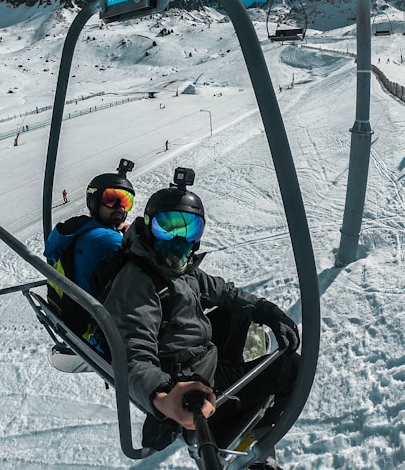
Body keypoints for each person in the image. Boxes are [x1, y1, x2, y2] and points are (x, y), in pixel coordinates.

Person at [103, 168, 300, 462]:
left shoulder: (177, 267)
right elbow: (132, 355)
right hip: (187, 381)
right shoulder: (138, 281)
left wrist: (266, 311)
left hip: (199, 352)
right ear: (147, 227)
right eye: (165, 227)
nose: (178, 239)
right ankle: (235, 436)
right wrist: (163, 396)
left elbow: (224, 292)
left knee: (237, 314)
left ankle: (233, 380)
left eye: (190, 229)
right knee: (290, 367)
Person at [44, 159, 136, 334]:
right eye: (111, 200)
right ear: (94, 202)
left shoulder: (81, 229)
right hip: (99, 335)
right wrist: (133, 237)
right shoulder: (105, 240)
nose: (119, 207)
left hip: (78, 322)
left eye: (125, 201)